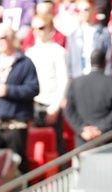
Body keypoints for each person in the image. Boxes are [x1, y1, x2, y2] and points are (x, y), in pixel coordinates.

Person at [0, 24, 39, 175]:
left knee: (16, 168)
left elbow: (33, 89)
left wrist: (7, 90)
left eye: (3, 37)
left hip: (15, 125)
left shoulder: (25, 62)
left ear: (12, 39)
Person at [63, 47, 112, 146]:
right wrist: (100, 128)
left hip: (84, 141)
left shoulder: (76, 83)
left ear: (90, 62)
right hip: (108, 140)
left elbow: (68, 110)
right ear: (105, 62)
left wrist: (82, 129)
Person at [26, 14, 68, 155]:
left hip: (51, 105)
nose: (37, 32)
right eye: (34, 28)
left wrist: (55, 108)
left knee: (56, 147)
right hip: (34, 105)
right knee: (36, 148)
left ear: (50, 29)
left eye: (41, 28)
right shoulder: (29, 53)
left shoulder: (58, 52)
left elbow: (64, 80)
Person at [66, 0, 111, 78]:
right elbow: (70, 62)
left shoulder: (103, 33)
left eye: (86, 9)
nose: (83, 13)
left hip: (98, 78)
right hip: (79, 79)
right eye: (79, 10)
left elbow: (109, 59)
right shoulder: (73, 35)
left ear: (94, 9)